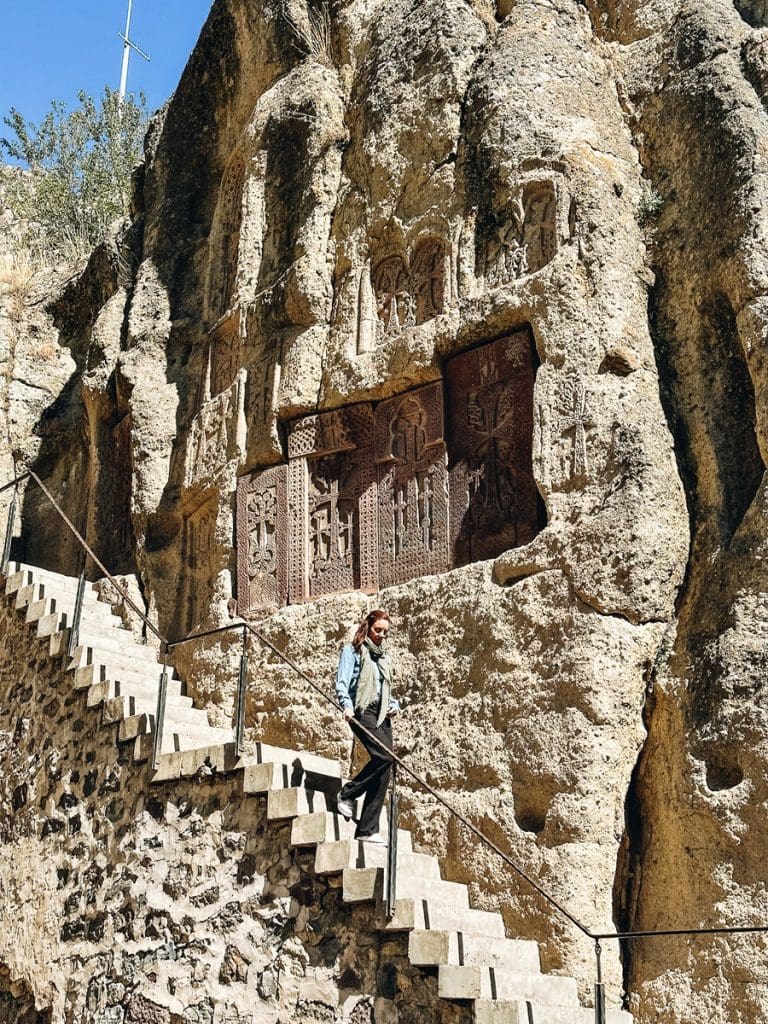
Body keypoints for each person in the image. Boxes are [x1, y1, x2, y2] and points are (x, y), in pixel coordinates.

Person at [335, 609, 400, 844]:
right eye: (377, 630)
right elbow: (342, 682)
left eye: (385, 632)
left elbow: (386, 689)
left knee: (386, 765)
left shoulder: (383, 657)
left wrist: (394, 705)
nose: (382, 635)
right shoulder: (352, 650)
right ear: (368, 627)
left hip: (382, 713)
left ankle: (367, 830)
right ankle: (347, 793)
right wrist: (346, 706)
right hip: (361, 711)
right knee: (384, 757)